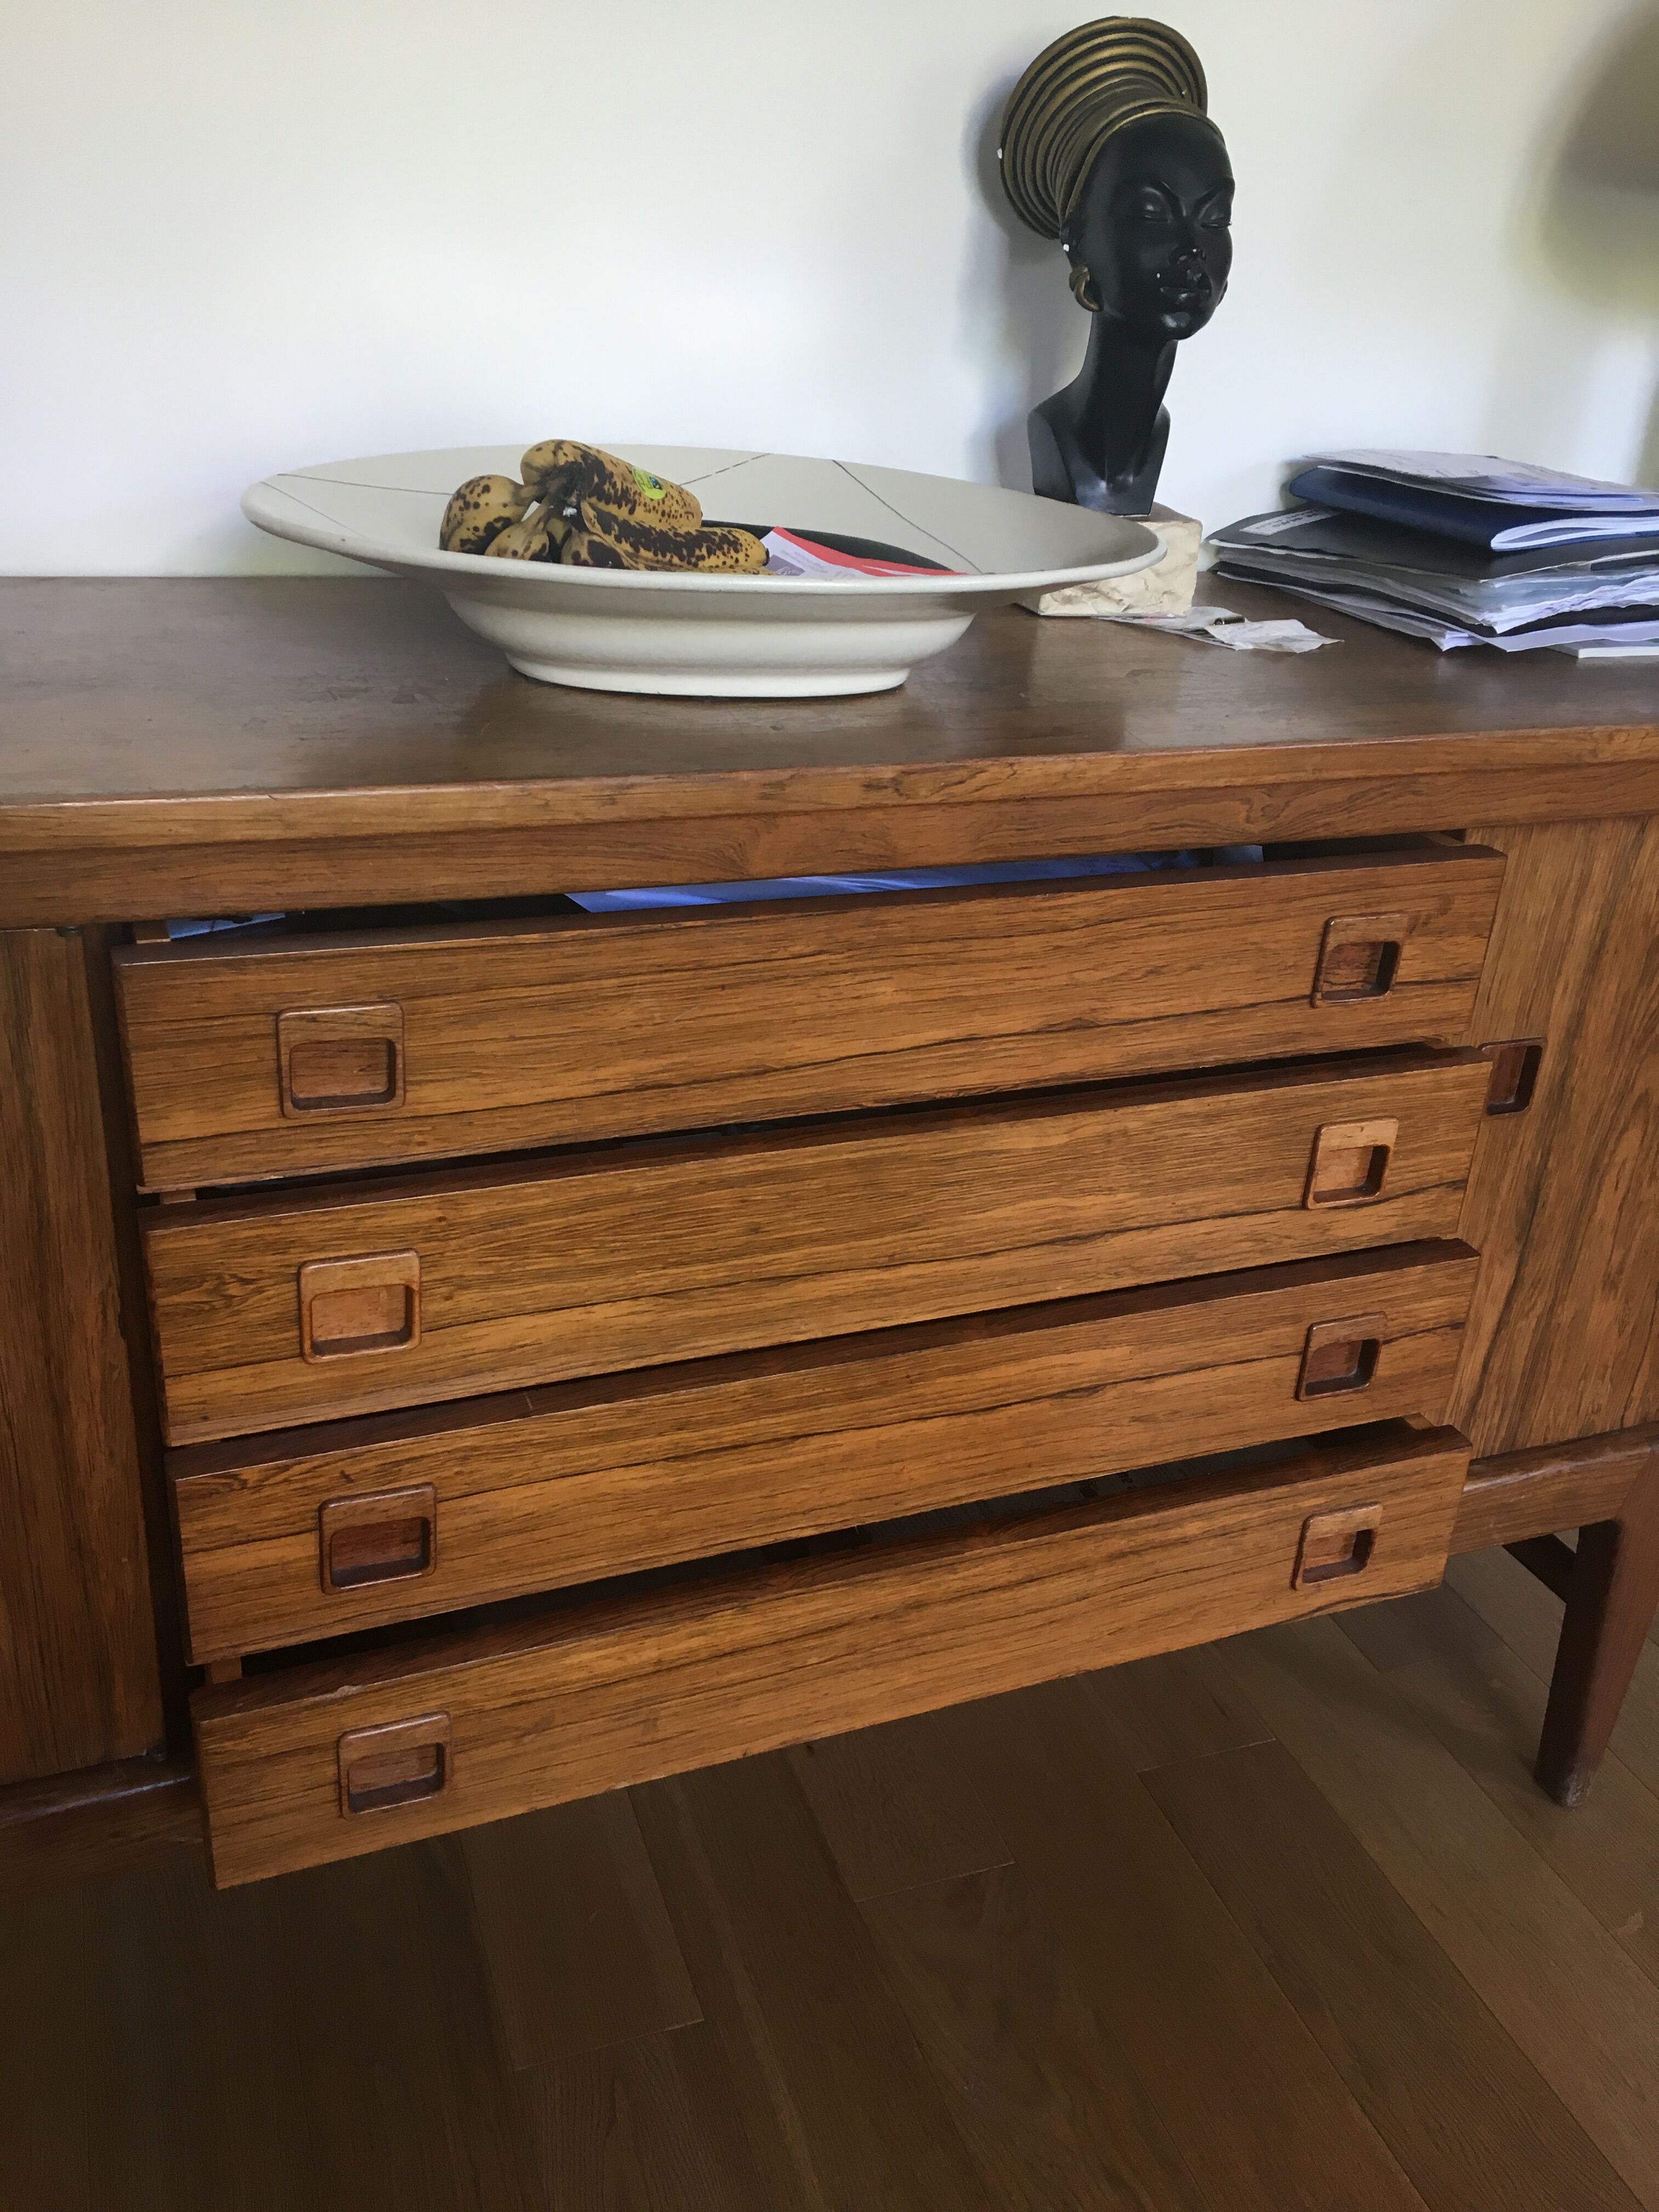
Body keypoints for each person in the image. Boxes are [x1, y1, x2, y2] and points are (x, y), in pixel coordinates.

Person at [1000, 18, 1234, 515]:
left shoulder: (1160, 431)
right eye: (1151, 215)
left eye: (1215, 219)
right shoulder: (1054, 432)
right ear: (1079, 242)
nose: (1192, 249)